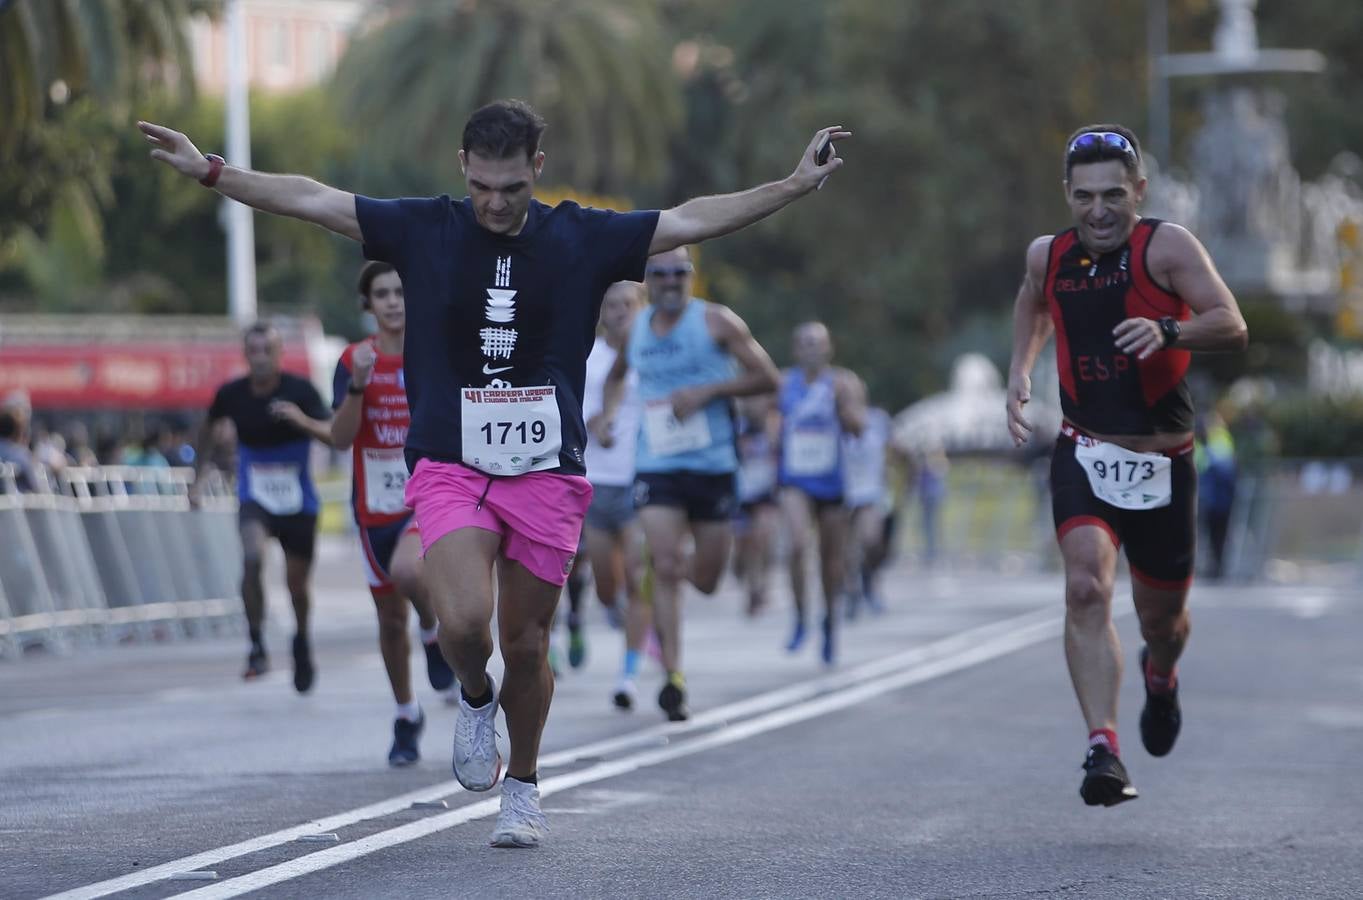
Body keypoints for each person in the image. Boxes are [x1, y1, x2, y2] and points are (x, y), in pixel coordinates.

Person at [141, 100, 849, 847]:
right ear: (461, 168)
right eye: (482, 185)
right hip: (449, 460)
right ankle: (474, 700)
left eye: (511, 187)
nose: (495, 202)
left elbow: (691, 219)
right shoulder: (423, 227)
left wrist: (791, 186)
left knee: (526, 643)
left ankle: (523, 786)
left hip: (546, 469)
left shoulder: (581, 234)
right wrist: (213, 171)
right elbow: (314, 198)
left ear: (536, 171)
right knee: (464, 622)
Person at [1005, 124, 1248, 807]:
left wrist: (1170, 329)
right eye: (1084, 197)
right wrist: (1018, 372)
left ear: (1139, 189)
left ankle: (1161, 677)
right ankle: (1102, 750)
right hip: (1084, 451)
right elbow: (1030, 302)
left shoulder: (1164, 246)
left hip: (1162, 463)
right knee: (1084, 588)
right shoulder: (1046, 255)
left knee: (1161, 623)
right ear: (1067, 195)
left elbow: (1230, 323)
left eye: (1114, 194)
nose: (1099, 211)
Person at [274, 261, 457, 767]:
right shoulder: (353, 359)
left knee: (409, 571)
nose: (394, 302)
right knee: (388, 619)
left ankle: (433, 633)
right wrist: (357, 387)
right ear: (368, 304)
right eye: (383, 294)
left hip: (428, 494)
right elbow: (340, 437)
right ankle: (405, 714)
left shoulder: (432, 352)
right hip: (373, 504)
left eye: (401, 291)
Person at [600, 247, 781, 722]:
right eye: (660, 275)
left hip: (714, 467)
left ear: (691, 277)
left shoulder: (718, 322)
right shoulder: (634, 330)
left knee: (704, 579)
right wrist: (609, 412)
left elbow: (769, 379)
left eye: (679, 273)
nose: (670, 282)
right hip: (656, 465)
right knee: (663, 562)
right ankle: (673, 677)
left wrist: (709, 392)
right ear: (647, 282)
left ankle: (682, 583)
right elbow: (616, 377)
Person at [195, 322, 331, 692]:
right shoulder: (232, 394)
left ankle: (301, 640)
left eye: (266, 350)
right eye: (252, 350)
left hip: (298, 499)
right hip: (255, 496)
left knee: (296, 585)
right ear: (245, 354)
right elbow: (207, 429)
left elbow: (334, 432)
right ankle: (256, 642)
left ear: (279, 354)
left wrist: (300, 420)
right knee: (252, 558)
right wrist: (197, 479)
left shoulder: (300, 390)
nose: (259, 357)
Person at [776, 321, 867, 664]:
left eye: (818, 343)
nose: (812, 349)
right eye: (805, 343)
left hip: (831, 481)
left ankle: (830, 620)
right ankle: (801, 616)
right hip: (795, 480)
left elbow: (859, 428)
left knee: (832, 561)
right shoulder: (784, 383)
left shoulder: (844, 382)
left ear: (829, 348)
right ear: (796, 349)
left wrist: (845, 408)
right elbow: (763, 421)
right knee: (796, 545)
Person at [581, 281, 651, 709]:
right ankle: (610, 605)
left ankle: (628, 675)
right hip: (596, 481)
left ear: (641, 308)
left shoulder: (653, 354)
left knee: (641, 577)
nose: (620, 311)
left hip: (643, 480)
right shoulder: (586, 358)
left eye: (628, 304)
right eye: (611, 305)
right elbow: (572, 409)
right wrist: (596, 425)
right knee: (608, 584)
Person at [732, 393, 782, 617]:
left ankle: (759, 588)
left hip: (766, 493)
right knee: (745, 545)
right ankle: (747, 578)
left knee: (762, 539)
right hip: (741, 494)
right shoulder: (735, 428)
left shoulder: (776, 427)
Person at [842, 405, 893, 617]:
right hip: (844, 493)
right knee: (848, 549)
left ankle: (870, 581)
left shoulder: (878, 419)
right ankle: (851, 590)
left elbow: (893, 447)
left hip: (871, 493)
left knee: (871, 542)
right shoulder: (836, 420)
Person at [1194, 411, 1237, 580]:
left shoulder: (1219, 442)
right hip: (1210, 499)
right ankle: (1212, 566)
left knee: (1218, 535)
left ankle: (1217, 567)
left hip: (1219, 499)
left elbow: (1221, 470)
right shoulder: (1203, 445)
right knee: (1211, 534)